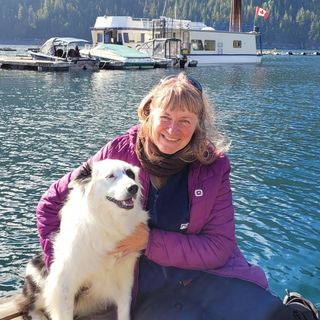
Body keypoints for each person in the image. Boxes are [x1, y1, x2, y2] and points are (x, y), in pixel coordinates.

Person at [36, 73, 318, 320]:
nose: (173, 130)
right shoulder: (116, 154)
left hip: (207, 276)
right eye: (166, 118)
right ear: (148, 114)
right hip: (142, 286)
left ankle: (296, 309)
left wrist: (149, 241)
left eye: (185, 120)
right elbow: (50, 205)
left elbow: (220, 246)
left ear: (198, 124)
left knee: (271, 315)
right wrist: (66, 272)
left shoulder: (213, 166)